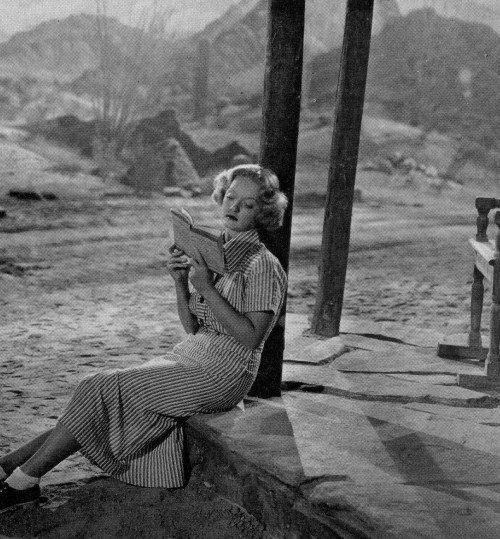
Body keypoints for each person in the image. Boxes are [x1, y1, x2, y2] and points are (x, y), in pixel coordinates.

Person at [0, 164, 288, 513]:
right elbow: (193, 327)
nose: (235, 207)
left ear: (263, 212)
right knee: (98, 394)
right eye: (230, 197)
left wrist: (208, 289)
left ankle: (22, 482)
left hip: (225, 372)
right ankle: (9, 468)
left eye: (248, 204)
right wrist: (180, 283)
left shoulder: (263, 265)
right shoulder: (215, 251)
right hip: (194, 352)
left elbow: (251, 338)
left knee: (98, 386)